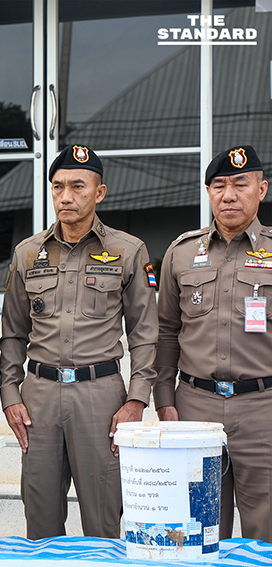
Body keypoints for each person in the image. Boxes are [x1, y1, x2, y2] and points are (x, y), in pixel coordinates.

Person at [0, 145, 158, 539]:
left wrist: (137, 399)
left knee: (104, 519)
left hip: (100, 398)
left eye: (77, 186)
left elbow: (144, 332)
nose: (66, 196)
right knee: (40, 518)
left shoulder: (128, 250)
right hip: (39, 397)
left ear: (99, 193)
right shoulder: (27, 253)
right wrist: (10, 394)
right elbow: (13, 333)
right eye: (58, 187)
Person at [155, 145, 272, 543]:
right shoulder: (182, 252)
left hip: (263, 410)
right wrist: (164, 400)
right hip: (194, 408)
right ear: (208, 193)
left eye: (241, 184)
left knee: (265, 529)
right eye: (218, 185)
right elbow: (166, 332)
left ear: (262, 189)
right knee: (198, 528)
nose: (229, 194)